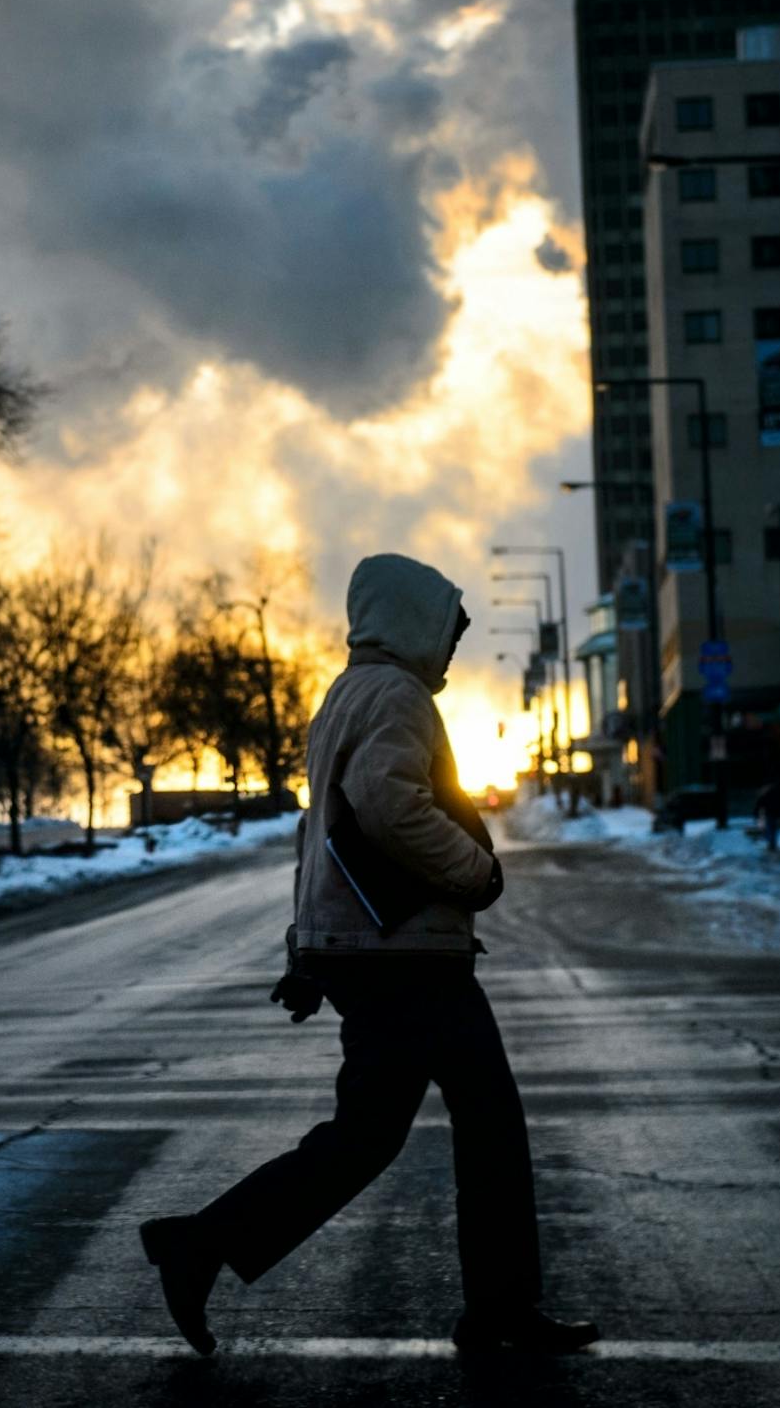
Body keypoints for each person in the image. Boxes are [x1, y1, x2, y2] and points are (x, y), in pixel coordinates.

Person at [138, 553, 600, 1358]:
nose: (452, 647)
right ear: (412, 620)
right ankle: (498, 1313)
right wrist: (477, 872)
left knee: (369, 1137)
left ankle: (203, 1242)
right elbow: (388, 806)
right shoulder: (397, 695)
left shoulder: (344, 697)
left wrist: (308, 948)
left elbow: (318, 837)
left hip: (375, 954)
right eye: (448, 628)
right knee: (485, 1121)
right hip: (408, 956)